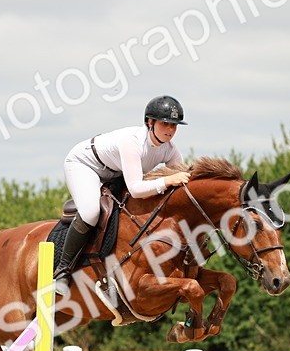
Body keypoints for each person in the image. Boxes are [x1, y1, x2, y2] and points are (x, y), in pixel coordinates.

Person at [54, 95, 193, 294]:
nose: (171, 130)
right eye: (165, 124)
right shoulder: (132, 142)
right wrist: (166, 181)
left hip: (115, 171)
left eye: (174, 125)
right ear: (150, 122)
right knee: (92, 212)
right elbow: (136, 189)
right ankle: (63, 270)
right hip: (85, 164)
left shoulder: (170, 150)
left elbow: (182, 180)